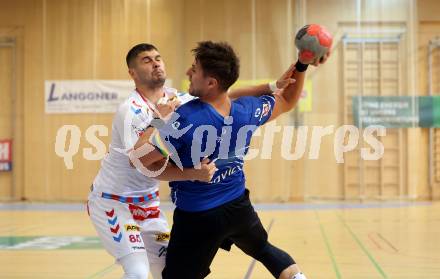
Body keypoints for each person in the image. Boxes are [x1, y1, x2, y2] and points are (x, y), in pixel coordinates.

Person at [88, 43, 291, 279]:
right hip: (114, 203)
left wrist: (271, 86)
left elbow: (226, 95)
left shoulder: (176, 98)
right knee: (138, 272)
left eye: (158, 57)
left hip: (148, 206)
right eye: (146, 60)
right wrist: (189, 169)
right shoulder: (130, 111)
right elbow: (139, 162)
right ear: (132, 73)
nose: (155, 63)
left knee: (172, 270)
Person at [131, 41, 329, 279]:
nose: (188, 73)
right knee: (263, 250)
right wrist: (302, 64)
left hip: (198, 217)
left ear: (211, 82)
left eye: (194, 69)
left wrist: (157, 121)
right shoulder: (247, 111)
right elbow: (286, 100)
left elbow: (138, 157)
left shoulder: (180, 121)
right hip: (237, 207)